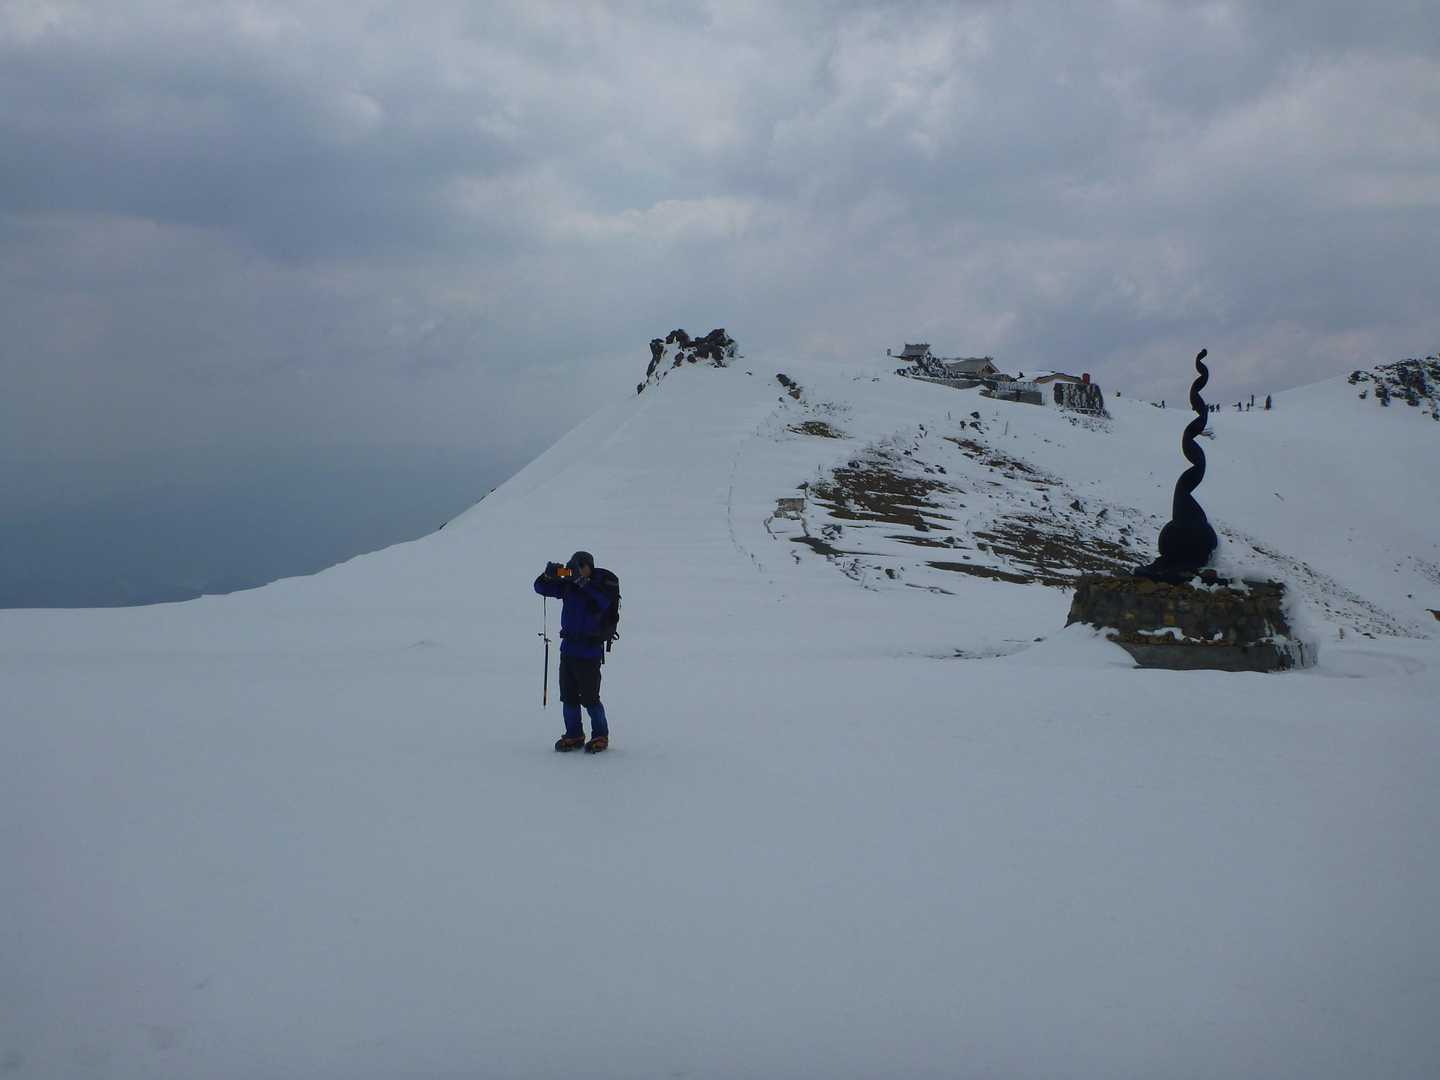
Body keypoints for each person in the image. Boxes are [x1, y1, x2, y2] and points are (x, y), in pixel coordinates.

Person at [534, 551, 614, 753]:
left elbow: (604, 602)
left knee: (590, 698)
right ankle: (574, 734)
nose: (575, 570)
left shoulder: (598, 587)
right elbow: (540, 588)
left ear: (589, 567)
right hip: (568, 650)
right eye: (574, 566)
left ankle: (600, 735)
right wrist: (547, 575)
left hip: (589, 652)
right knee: (568, 696)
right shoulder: (569, 586)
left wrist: (583, 583)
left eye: (580, 566)